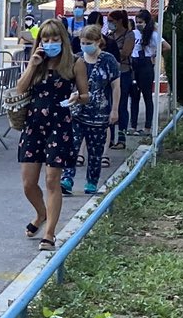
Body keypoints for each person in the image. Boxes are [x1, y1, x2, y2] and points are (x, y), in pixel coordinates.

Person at [12, 17, 87, 251]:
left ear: (63, 39)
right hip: (33, 126)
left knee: (52, 180)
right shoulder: (37, 62)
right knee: (28, 184)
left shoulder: (75, 63)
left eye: (55, 38)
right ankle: (41, 213)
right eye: (46, 39)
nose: (51, 43)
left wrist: (77, 97)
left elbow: (86, 95)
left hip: (59, 125)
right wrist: (33, 65)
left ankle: (50, 233)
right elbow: (20, 88)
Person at [67, 32, 121, 196]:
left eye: (88, 43)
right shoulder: (76, 59)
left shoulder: (108, 60)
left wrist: (115, 109)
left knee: (95, 151)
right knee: (72, 146)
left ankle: (92, 182)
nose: (85, 46)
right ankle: (67, 178)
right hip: (77, 112)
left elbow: (116, 87)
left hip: (99, 114)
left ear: (98, 42)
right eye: (82, 42)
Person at [128, 9, 162, 135]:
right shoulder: (133, 33)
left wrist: (154, 54)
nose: (138, 24)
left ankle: (148, 127)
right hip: (134, 64)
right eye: (137, 22)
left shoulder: (153, 35)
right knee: (134, 97)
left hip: (146, 65)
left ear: (147, 22)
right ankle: (133, 126)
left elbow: (166, 46)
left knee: (147, 96)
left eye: (141, 22)